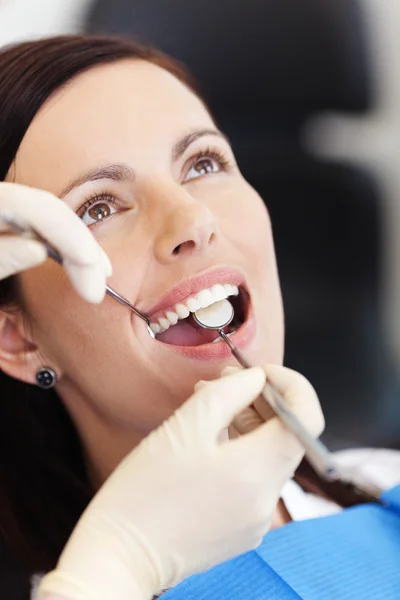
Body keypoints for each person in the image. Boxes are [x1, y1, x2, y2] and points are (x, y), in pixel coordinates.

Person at [0, 35, 398, 600]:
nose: (193, 219)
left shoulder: (386, 486)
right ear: (16, 338)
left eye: (202, 163)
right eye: (98, 207)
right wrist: (117, 568)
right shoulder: (89, 582)